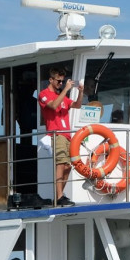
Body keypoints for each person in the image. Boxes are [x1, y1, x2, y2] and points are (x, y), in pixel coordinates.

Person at [38, 66, 82, 206]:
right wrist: (66, 90)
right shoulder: (43, 94)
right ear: (50, 80)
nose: (61, 84)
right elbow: (53, 105)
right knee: (61, 163)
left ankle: (59, 197)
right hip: (56, 133)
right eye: (58, 81)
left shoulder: (62, 95)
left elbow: (77, 105)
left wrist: (80, 93)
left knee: (68, 166)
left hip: (67, 135)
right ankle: (59, 196)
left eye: (62, 82)